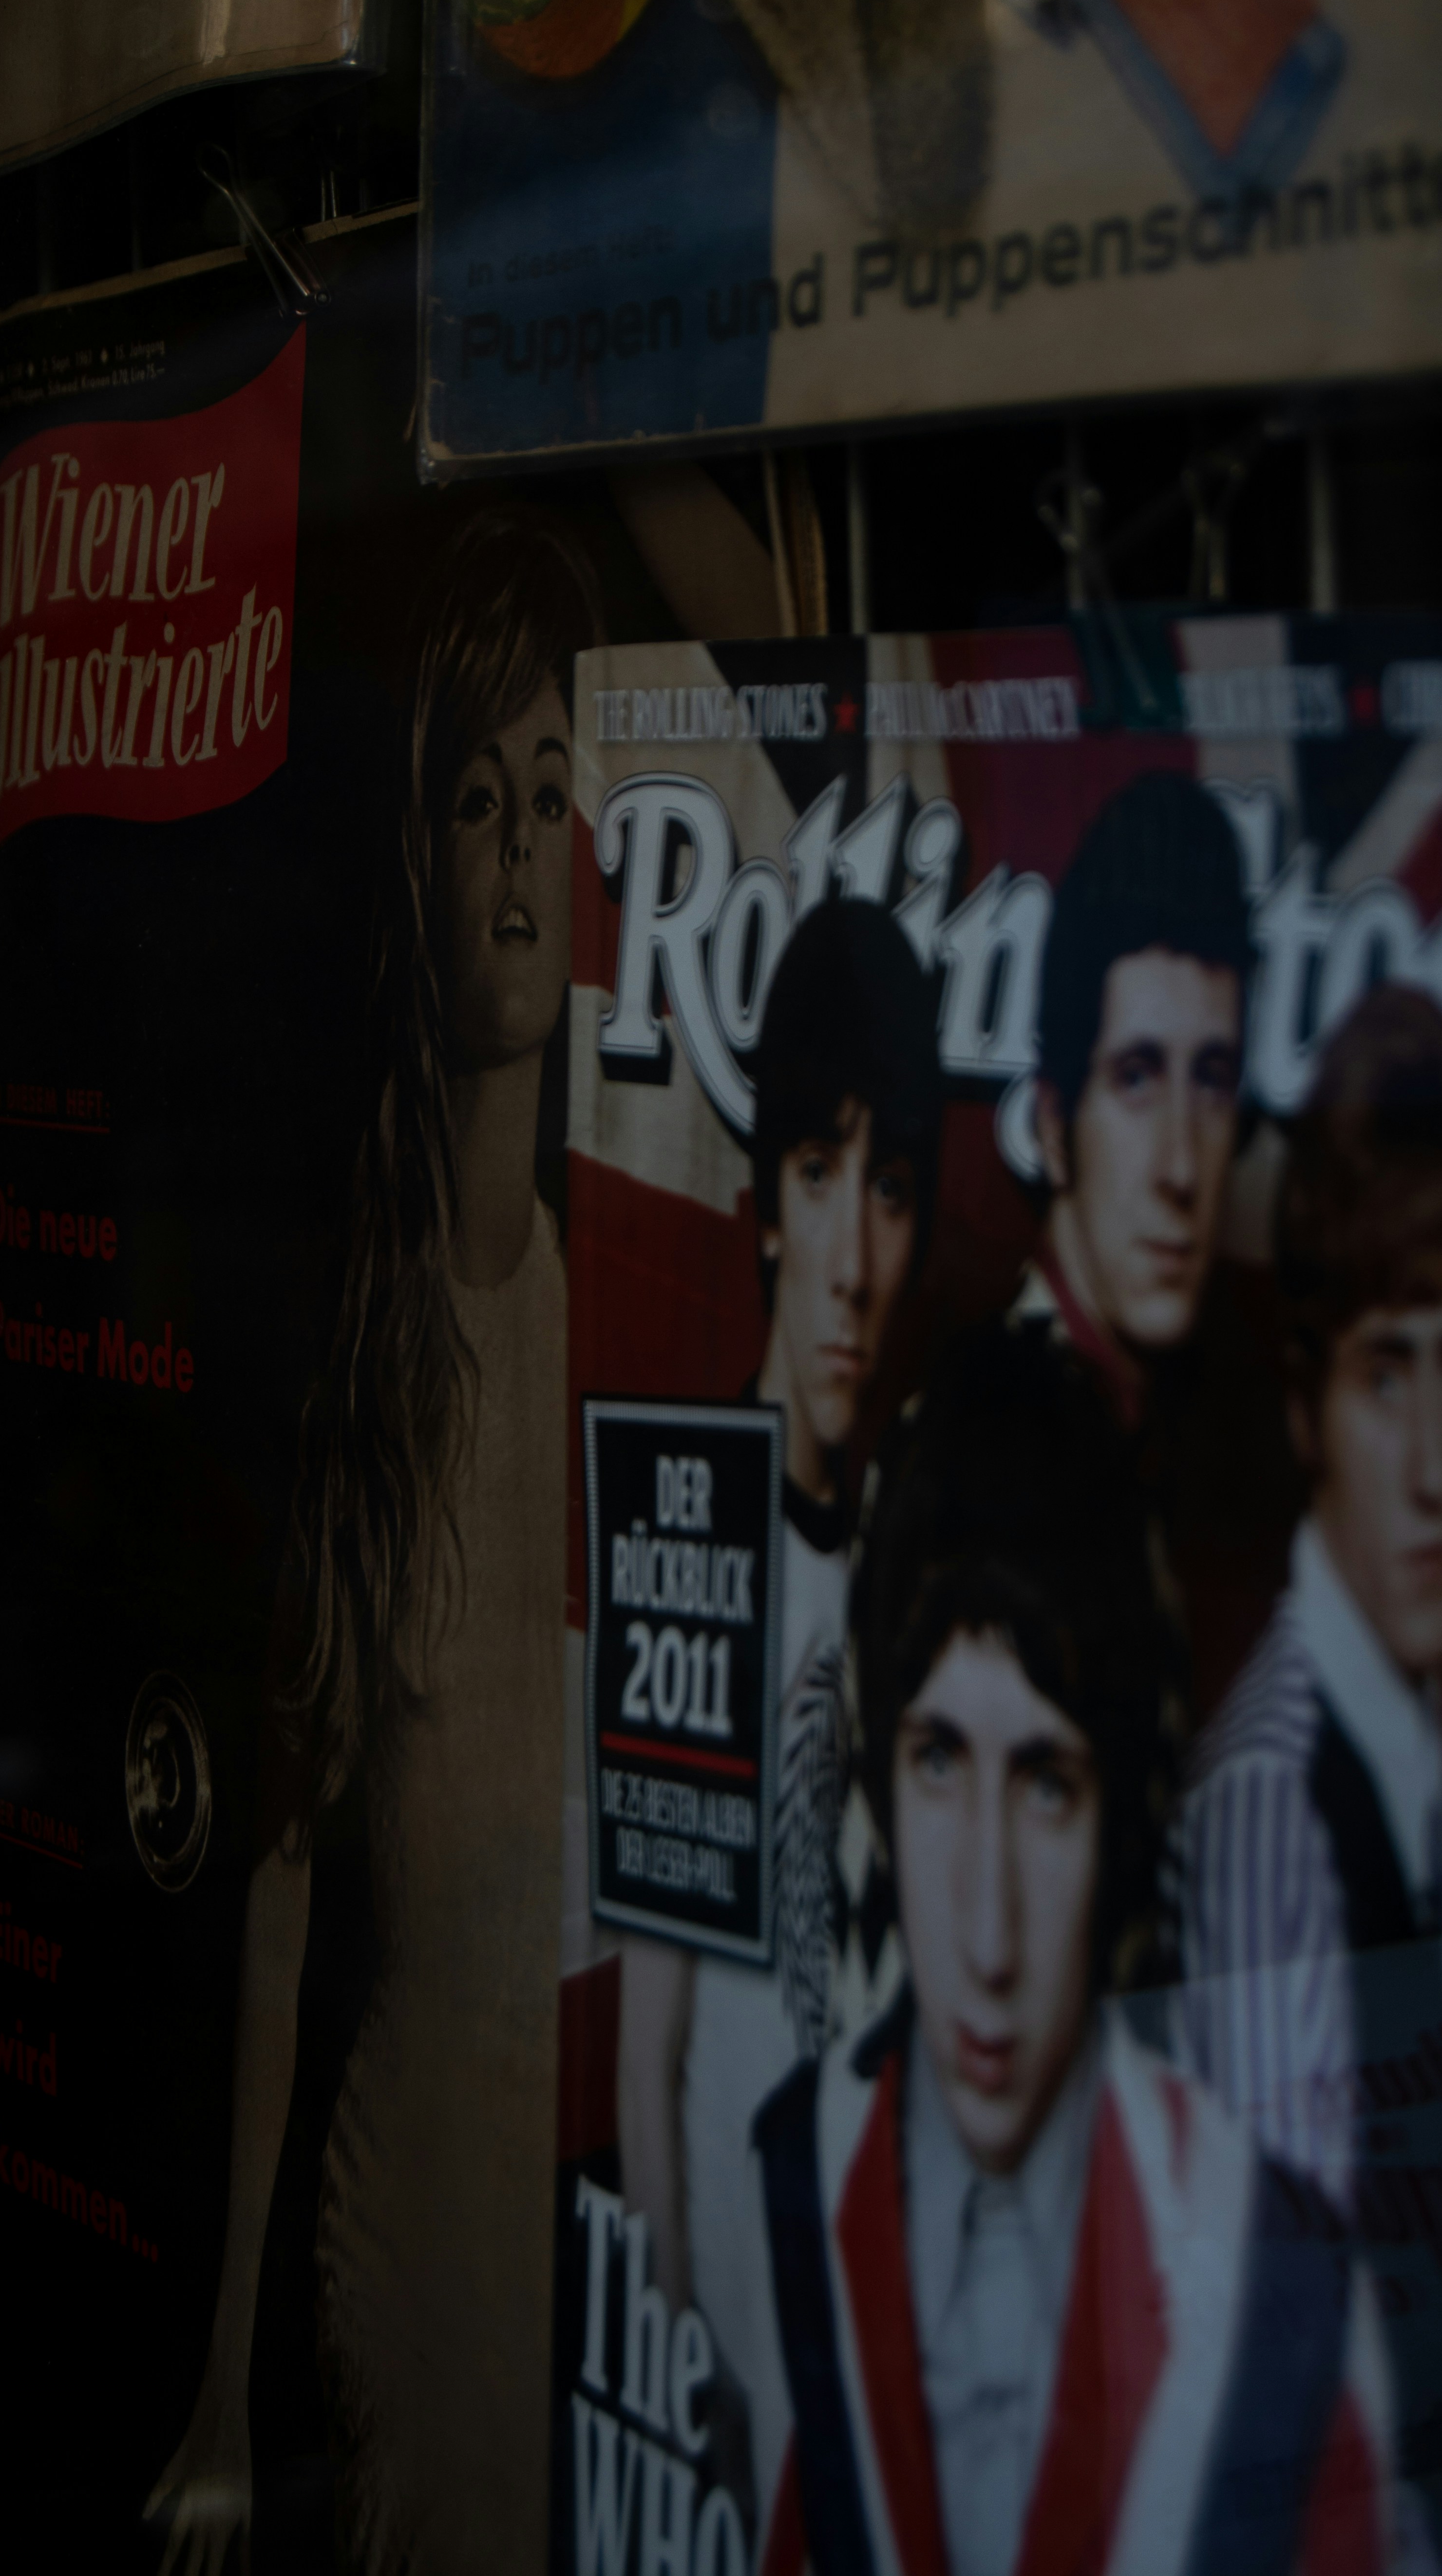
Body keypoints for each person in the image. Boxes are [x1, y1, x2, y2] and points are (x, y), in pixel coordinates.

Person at [146, 509, 600, 2576]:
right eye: (475, 804)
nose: (518, 855)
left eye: (550, 801)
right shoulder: (367, 1338)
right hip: (412, 2225)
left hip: (605, 2197)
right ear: (418, 864)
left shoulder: (652, 1305)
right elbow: (281, 1869)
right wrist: (226, 2379)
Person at [756, 1331, 1395, 2576]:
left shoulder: (1279, 2312)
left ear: (1114, 1818)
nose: (986, 1936)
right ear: (880, 1779)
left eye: (1046, 1785)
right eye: (939, 1763)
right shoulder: (811, 2182)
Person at [1168, 983, 1442, 2574]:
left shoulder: (1417, 1751)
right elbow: (1288, 2393)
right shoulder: (1275, 1797)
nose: (1441, 1456)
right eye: (1391, 1374)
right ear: (1308, 1402)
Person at [617, 897, 943, 2547]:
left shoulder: (924, 1564)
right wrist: (692, 2429)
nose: (855, 1265)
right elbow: (649, 2058)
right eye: (823, 1179)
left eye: (890, 1190)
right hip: (733, 2423)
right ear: (766, 1210)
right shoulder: (690, 1539)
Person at [1014, 768, 1252, 1428]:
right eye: (1138, 1078)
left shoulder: (1128, 1418)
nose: (1181, 1169)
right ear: (1054, 1128)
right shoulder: (993, 1457)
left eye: (1210, 1079)